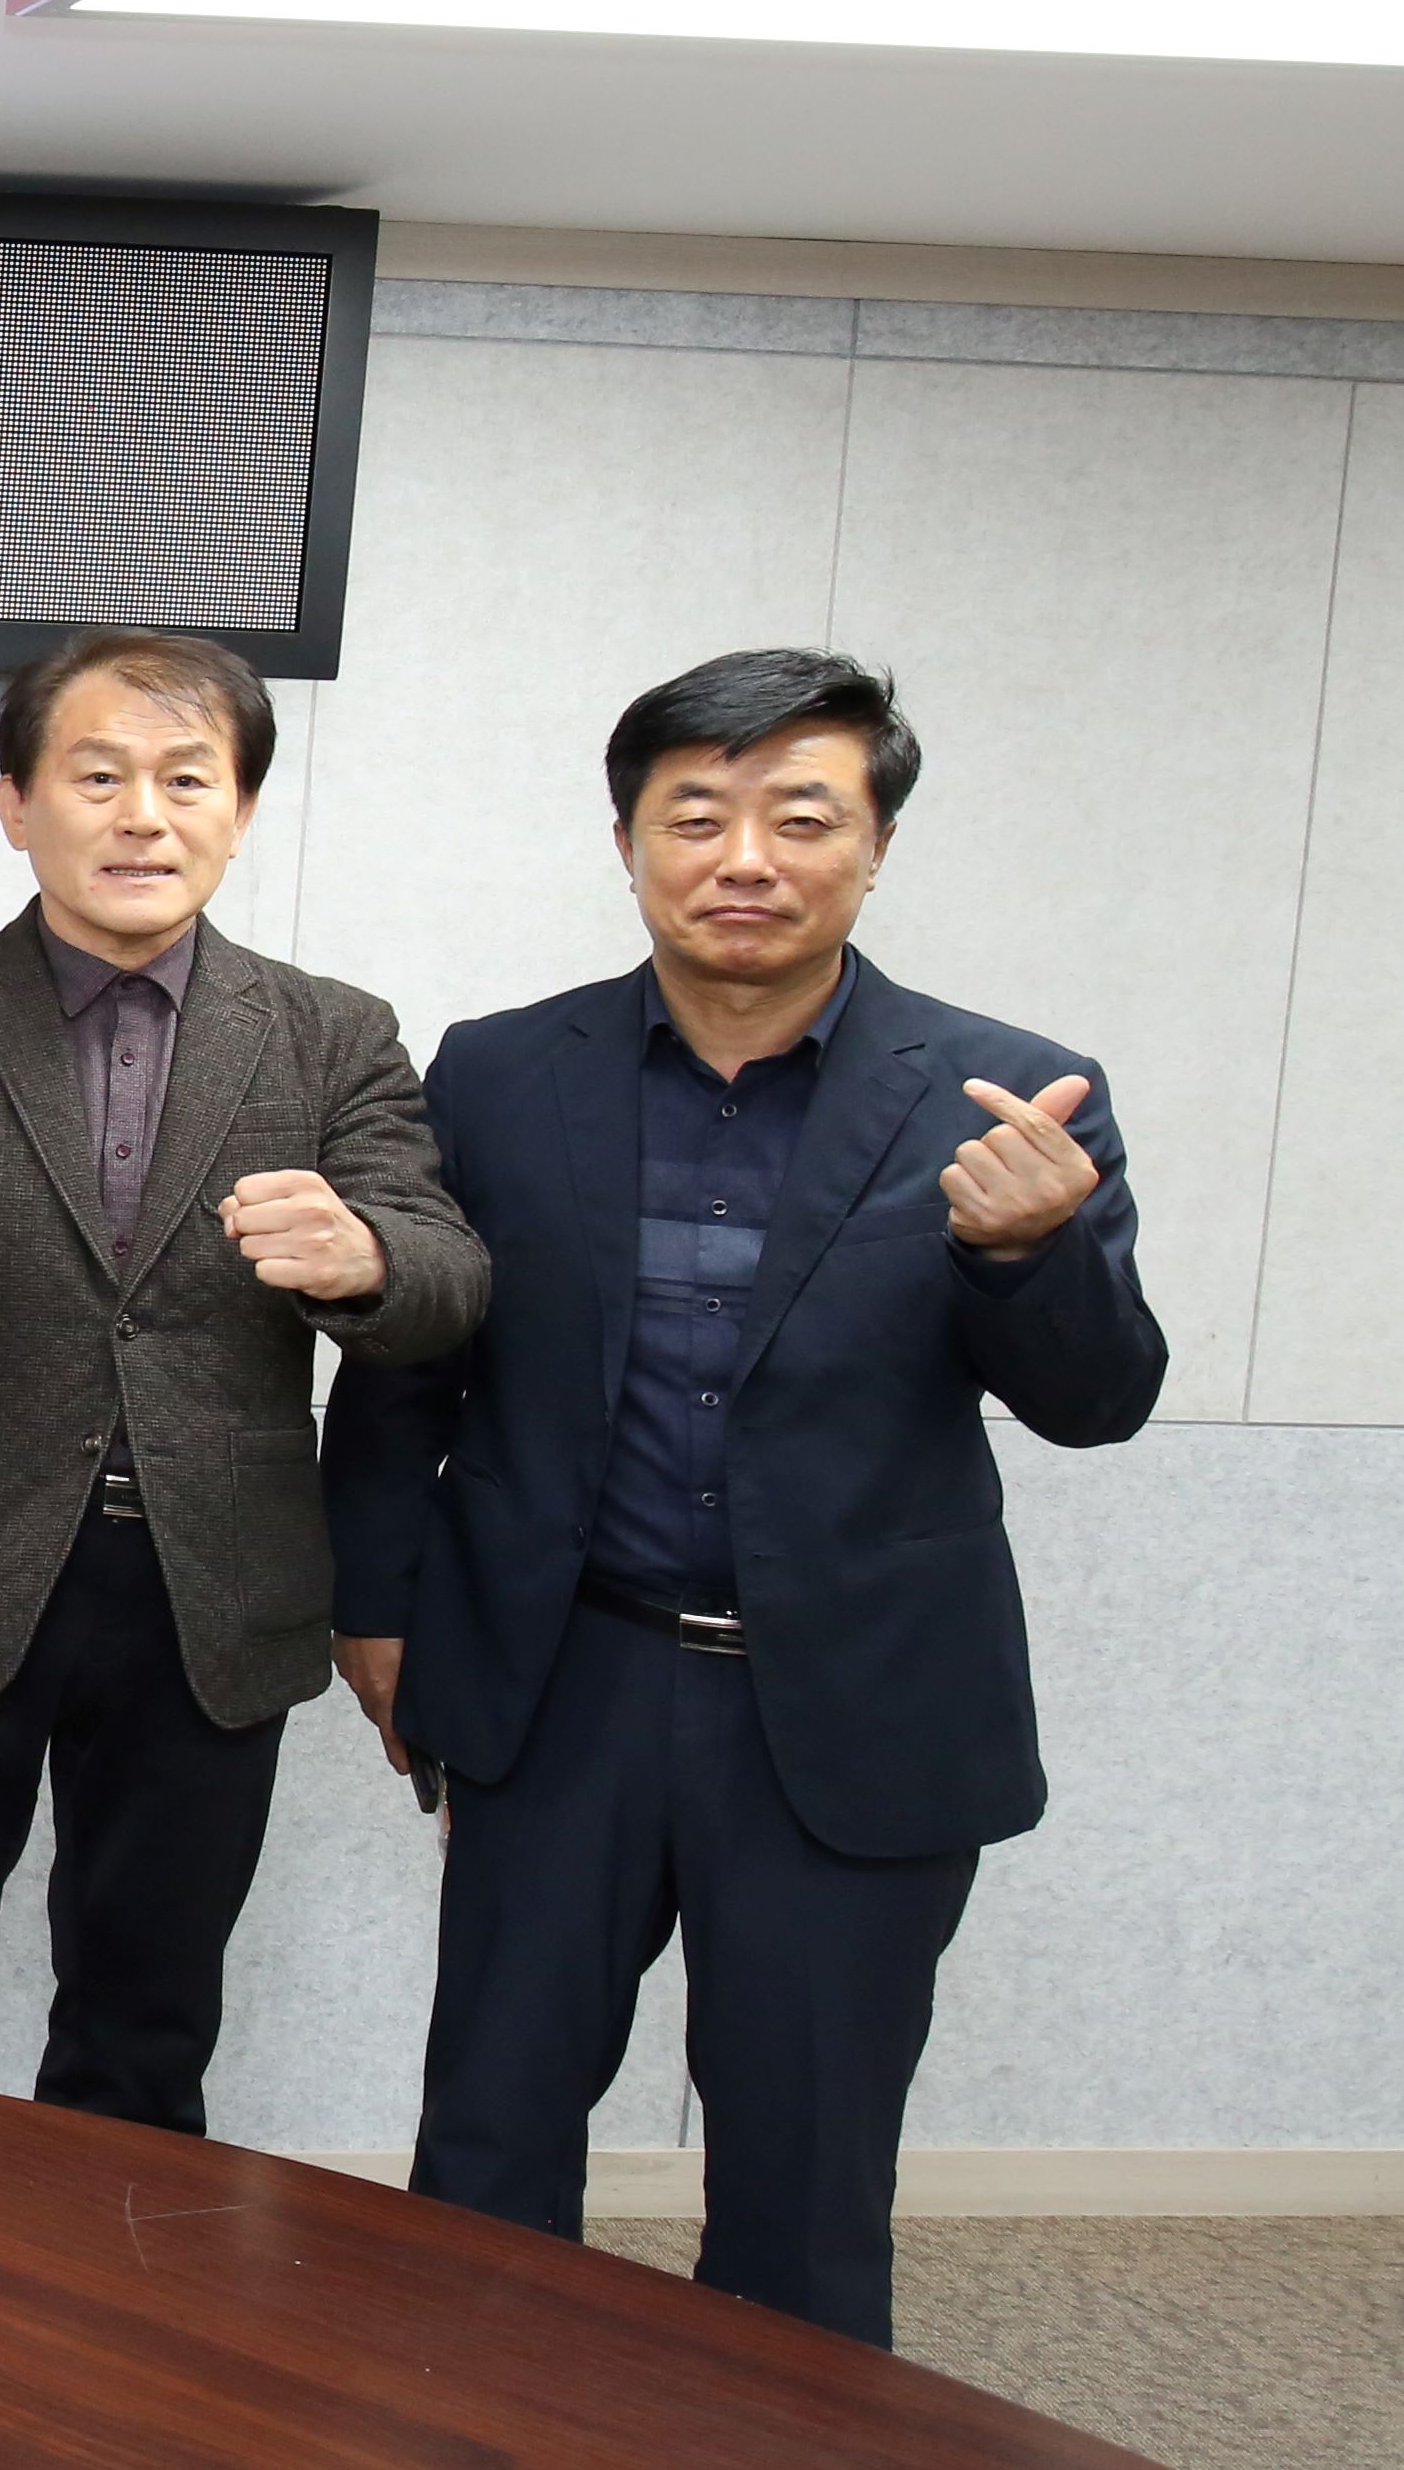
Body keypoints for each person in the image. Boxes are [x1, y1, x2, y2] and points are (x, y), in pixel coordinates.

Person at [324, 654, 1160, 2348]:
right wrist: (376, 1608)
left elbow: (1099, 1402)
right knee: (488, 2137)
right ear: (629, 841)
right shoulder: (501, 1072)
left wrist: (1029, 1251)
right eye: (696, 816)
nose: (747, 859)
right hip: (564, 1682)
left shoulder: (1007, 1092)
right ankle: (465, 2467)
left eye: (804, 817)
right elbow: (414, 1370)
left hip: (855, 1705)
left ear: (879, 845)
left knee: (805, 2178)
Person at [0, 627, 484, 2136]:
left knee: (146, 2023)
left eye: (186, 779)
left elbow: (448, 1277)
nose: (143, 815)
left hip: (214, 1593)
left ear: (242, 811)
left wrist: (363, 1261)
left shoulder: (332, 1034)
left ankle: (106, 2284)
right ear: (17, 806)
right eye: (98, 776)